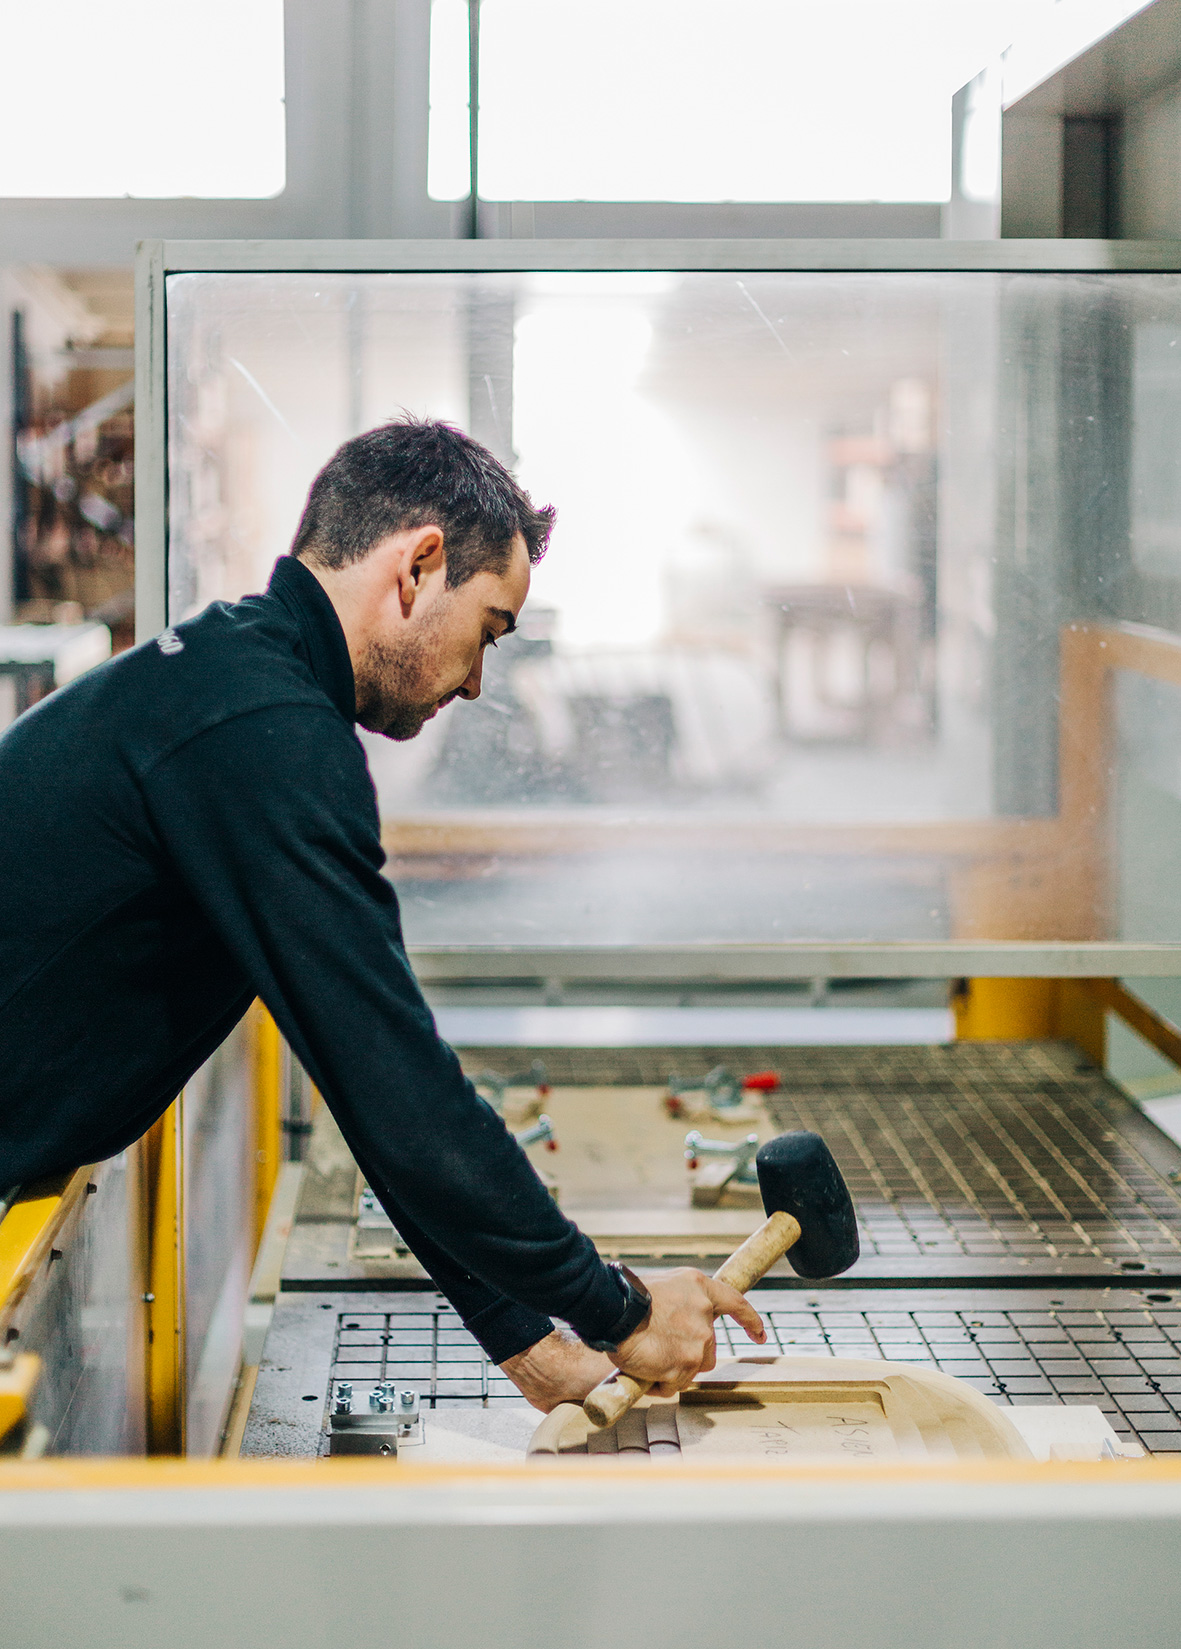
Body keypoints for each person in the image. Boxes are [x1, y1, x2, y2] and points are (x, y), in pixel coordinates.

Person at [0, 416, 763, 1410]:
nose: (480, 680)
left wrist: (519, 1331)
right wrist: (614, 1305)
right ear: (418, 565)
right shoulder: (264, 731)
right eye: (487, 629)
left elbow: (358, 1066)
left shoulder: (236, 681)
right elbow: (394, 1080)